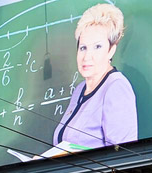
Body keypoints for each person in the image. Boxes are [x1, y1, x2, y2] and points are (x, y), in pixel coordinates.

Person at [50, 4, 138, 152]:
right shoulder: (79, 90)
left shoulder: (116, 87)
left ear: (111, 50)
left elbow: (123, 156)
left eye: (97, 47)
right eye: (83, 48)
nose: (87, 57)